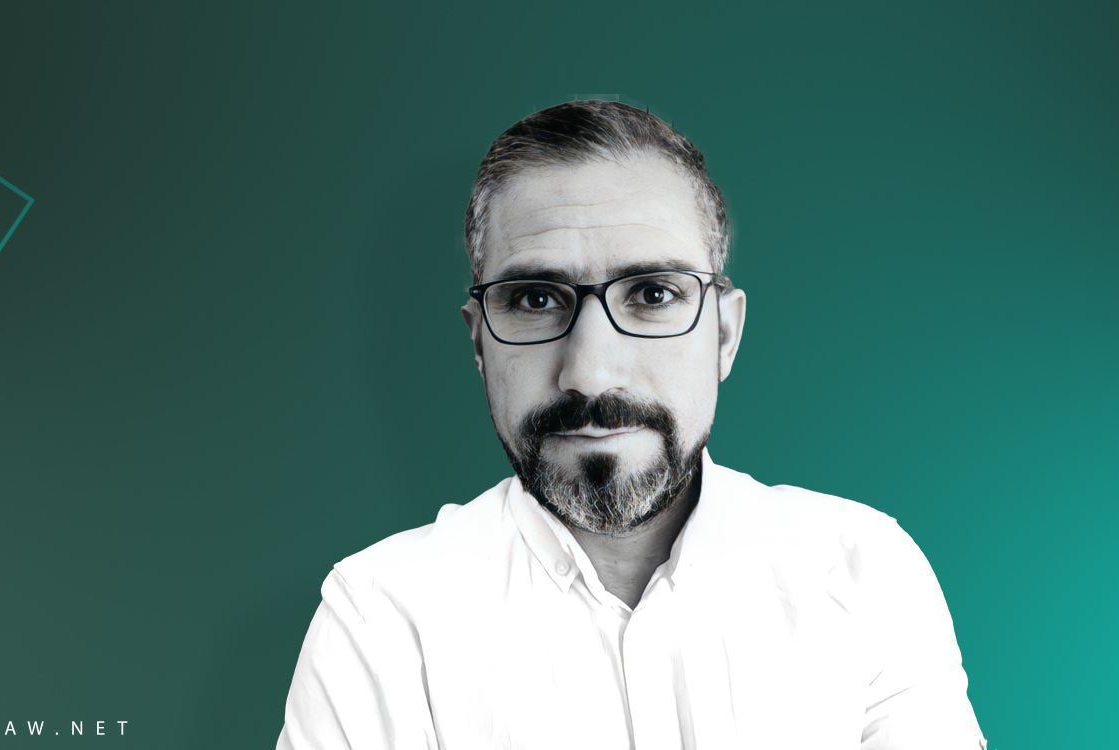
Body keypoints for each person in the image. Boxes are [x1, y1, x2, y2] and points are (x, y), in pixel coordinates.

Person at [277, 99, 988, 749]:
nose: (590, 373)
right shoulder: (380, 617)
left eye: (652, 294)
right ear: (479, 343)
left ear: (725, 335)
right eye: (535, 299)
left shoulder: (864, 572)